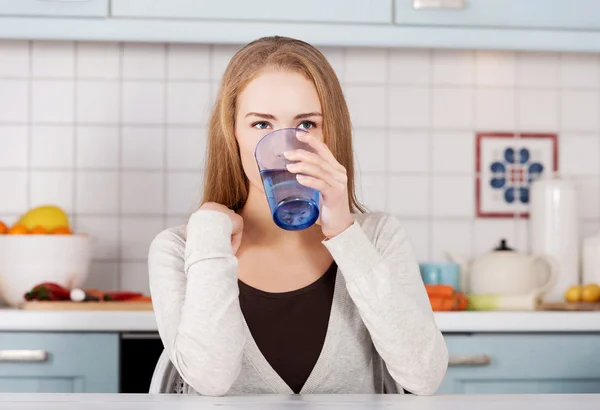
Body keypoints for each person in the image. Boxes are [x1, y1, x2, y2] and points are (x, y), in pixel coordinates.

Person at [148, 36, 448, 397]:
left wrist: (344, 234)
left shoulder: (378, 235)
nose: (286, 148)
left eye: (306, 125)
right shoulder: (180, 248)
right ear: (232, 134)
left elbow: (424, 377)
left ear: (330, 133)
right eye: (261, 125)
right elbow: (210, 380)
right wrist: (209, 233)